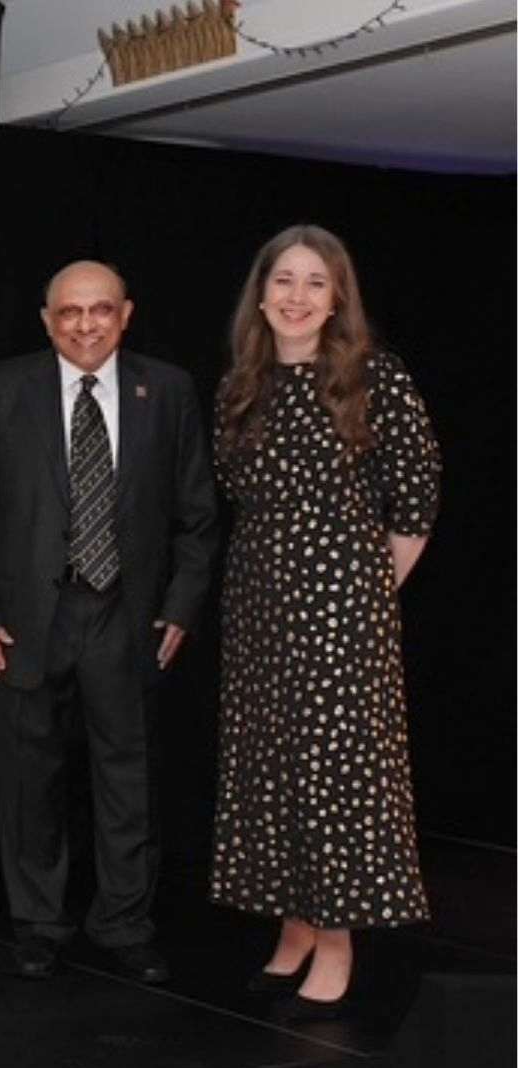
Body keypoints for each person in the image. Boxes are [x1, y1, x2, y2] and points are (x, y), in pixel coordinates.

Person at [0, 260, 216, 986]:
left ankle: (124, 923)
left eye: (101, 310)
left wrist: (182, 605)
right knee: (29, 777)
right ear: (46, 320)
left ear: (126, 314)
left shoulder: (168, 390)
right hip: (25, 617)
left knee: (129, 776)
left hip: (128, 614)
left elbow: (198, 514)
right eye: (68, 312)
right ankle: (39, 924)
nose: (85, 325)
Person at [209, 225, 439, 1019]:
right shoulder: (242, 384)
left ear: (338, 297)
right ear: (261, 293)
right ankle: (296, 926)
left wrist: (363, 593)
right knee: (271, 770)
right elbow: (233, 491)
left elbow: (417, 497)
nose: (297, 297)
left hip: (343, 619)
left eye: (315, 282)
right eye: (284, 280)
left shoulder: (375, 377)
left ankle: (338, 945)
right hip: (257, 609)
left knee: (333, 779)